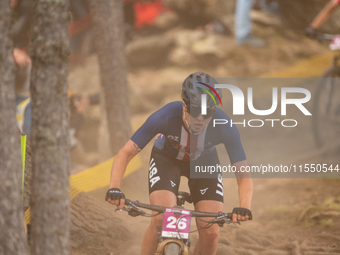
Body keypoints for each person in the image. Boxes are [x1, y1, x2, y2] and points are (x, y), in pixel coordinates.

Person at [105, 72, 253, 255]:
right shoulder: (166, 116)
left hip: (204, 164)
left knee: (212, 232)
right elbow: (125, 153)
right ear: (184, 105)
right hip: (167, 160)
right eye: (195, 110)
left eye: (208, 112)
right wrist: (114, 188)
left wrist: (244, 206)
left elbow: (243, 175)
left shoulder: (224, 126)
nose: (201, 118)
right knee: (161, 221)